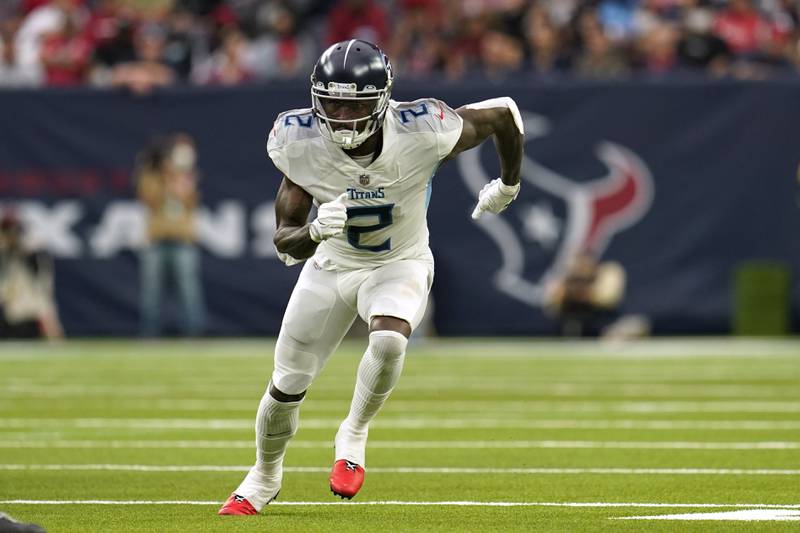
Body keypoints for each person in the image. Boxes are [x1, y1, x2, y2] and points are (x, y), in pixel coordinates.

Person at [218, 39, 524, 515]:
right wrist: (315, 231)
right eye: (331, 102)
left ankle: (354, 432)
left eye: (353, 103)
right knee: (285, 384)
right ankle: (264, 474)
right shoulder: (298, 143)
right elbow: (284, 243)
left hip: (398, 261)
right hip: (331, 267)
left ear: (381, 99)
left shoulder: (422, 129)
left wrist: (508, 183)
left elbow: (503, 113)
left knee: (389, 340)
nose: (340, 115)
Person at [136, 133, 206, 337]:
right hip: (157, 240)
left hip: (183, 240)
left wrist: (176, 175)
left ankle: (195, 333)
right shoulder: (151, 176)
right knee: (151, 293)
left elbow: (189, 200)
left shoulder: (187, 175)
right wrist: (162, 175)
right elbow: (150, 200)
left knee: (189, 291)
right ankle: (149, 334)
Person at [0, 211, 63, 340]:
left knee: (44, 310)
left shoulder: (31, 243)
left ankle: (57, 342)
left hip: (33, 286)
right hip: (14, 287)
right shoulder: (5, 246)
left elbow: (40, 268)